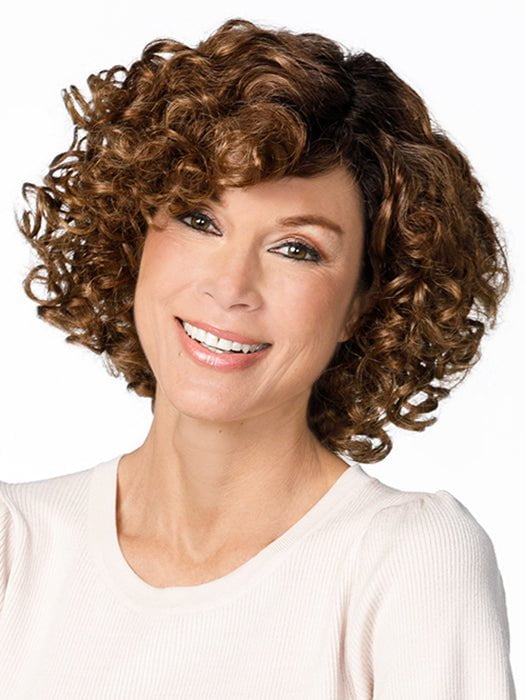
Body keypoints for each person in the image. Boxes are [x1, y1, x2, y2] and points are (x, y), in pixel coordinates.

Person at [0, 17, 516, 699]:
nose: (231, 287)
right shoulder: (17, 546)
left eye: (296, 249)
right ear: (134, 235)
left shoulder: (406, 561)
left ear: (364, 303)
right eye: (200, 219)